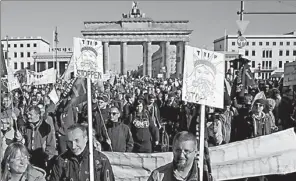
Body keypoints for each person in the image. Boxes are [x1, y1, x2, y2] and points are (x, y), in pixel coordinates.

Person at [50, 124, 115, 181]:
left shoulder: (100, 160)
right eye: (70, 142)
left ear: (85, 139)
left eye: (77, 140)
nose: (73, 146)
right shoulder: (62, 161)